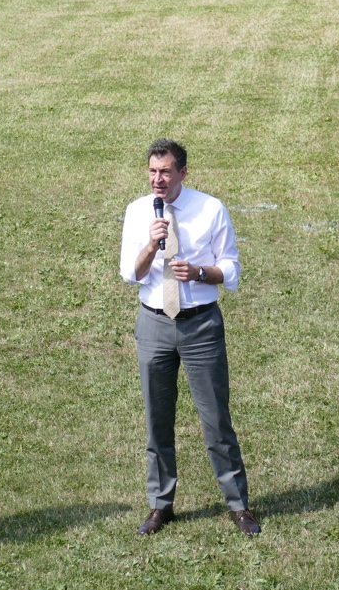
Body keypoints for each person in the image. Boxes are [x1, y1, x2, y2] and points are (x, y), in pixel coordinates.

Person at [119, 139, 260, 537]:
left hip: (200, 326)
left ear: (182, 172)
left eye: (165, 172)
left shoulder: (210, 208)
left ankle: (239, 506)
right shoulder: (137, 211)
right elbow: (131, 273)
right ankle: (160, 505)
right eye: (152, 171)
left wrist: (199, 273)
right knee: (157, 420)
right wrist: (152, 244)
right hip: (154, 324)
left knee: (216, 419)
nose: (157, 179)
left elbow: (231, 269)